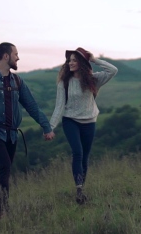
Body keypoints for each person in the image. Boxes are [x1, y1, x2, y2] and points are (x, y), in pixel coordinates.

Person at [0, 42, 55, 219]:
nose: (18, 57)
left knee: (4, 170)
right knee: (5, 165)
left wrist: (46, 126)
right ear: (6, 56)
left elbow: (31, 106)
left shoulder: (17, 81)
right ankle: (1, 211)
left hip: (12, 135)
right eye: (16, 54)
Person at [49, 47, 118, 204]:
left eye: (74, 60)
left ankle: (81, 190)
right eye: (70, 60)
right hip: (70, 120)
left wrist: (93, 59)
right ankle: (79, 188)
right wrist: (50, 127)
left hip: (89, 122)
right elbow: (59, 106)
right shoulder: (64, 83)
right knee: (78, 152)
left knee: (85, 157)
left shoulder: (93, 79)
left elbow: (113, 70)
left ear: (82, 62)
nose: (71, 63)